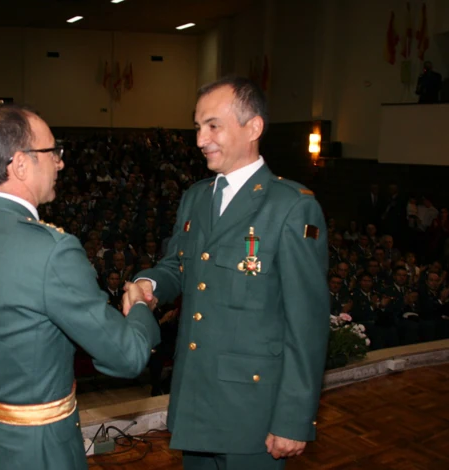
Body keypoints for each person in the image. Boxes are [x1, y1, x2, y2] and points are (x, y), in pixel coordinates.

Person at [0, 104, 160, 470]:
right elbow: (127, 356)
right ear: (20, 164)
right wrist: (141, 309)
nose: (60, 163)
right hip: (35, 452)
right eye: (52, 152)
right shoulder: (52, 251)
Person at [123, 76, 330, 469]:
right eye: (198, 127)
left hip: (253, 411)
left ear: (253, 127)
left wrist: (293, 418)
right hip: (196, 395)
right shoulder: (197, 197)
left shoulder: (291, 206)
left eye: (213, 125)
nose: (201, 139)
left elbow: (308, 324)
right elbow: (178, 267)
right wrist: (148, 283)